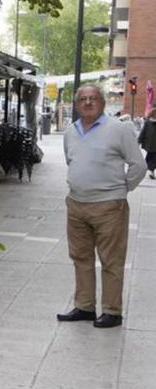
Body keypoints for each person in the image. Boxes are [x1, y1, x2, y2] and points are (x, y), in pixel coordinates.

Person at [58, 84, 147, 328]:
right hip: (76, 204)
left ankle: (112, 311)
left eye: (93, 98)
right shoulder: (71, 131)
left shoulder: (118, 129)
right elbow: (71, 160)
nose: (88, 102)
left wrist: (120, 190)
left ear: (103, 103)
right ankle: (85, 307)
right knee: (80, 257)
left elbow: (139, 166)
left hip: (109, 207)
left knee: (111, 260)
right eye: (83, 99)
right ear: (77, 105)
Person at [139, 109, 156, 180]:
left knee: (151, 156)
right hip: (152, 144)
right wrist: (139, 140)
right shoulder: (148, 123)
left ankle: (148, 169)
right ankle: (150, 170)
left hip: (149, 144)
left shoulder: (147, 122)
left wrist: (139, 140)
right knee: (153, 157)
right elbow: (143, 132)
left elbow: (143, 132)